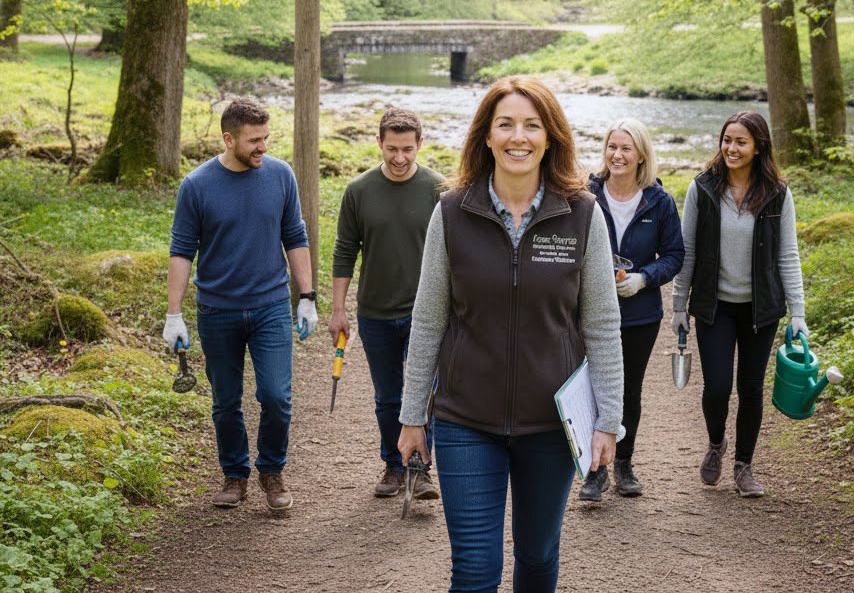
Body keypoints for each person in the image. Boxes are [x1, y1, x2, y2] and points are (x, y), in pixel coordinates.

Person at [397, 77, 623, 593]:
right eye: (505, 125)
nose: (518, 137)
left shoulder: (582, 214)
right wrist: (412, 416)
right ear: (486, 136)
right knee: (475, 569)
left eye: (531, 125)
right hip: (465, 420)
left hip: (551, 424)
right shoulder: (451, 212)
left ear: (550, 137)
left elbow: (601, 325)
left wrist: (608, 420)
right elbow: (428, 320)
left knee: (538, 558)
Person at [163, 96, 317, 513]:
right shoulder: (197, 185)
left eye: (266, 138)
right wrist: (174, 315)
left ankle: (272, 471)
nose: (263, 147)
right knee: (226, 400)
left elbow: (295, 236)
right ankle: (234, 475)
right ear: (229, 139)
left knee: (276, 396)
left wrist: (307, 297)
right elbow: (182, 250)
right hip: (217, 310)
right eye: (254, 140)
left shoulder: (281, 175)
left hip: (270, 306)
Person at [671, 110, 807, 498]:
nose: (731, 148)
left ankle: (744, 466)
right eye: (727, 140)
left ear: (758, 147)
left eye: (741, 142)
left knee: (750, 389)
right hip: (714, 306)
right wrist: (679, 305)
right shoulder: (702, 188)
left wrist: (798, 312)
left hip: (759, 309)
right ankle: (716, 443)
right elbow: (688, 250)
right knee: (717, 388)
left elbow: (788, 254)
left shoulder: (777, 193)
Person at [329, 107, 444, 499]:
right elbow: (345, 251)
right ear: (378, 142)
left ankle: (420, 468)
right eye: (392, 149)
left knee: (423, 392)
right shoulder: (359, 191)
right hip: (375, 312)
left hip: (425, 313)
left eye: (407, 149)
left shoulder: (438, 190)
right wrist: (338, 310)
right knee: (388, 396)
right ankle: (394, 466)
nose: (399, 158)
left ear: (420, 144)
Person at [581, 118, 684, 500]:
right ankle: (595, 470)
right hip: (589, 310)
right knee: (592, 388)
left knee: (628, 389)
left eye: (626, 148)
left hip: (640, 313)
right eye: (612, 147)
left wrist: (644, 278)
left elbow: (674, 255)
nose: (617, 155)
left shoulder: (659, 201)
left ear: (641, 155)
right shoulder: (586, 194)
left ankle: (623, 463)